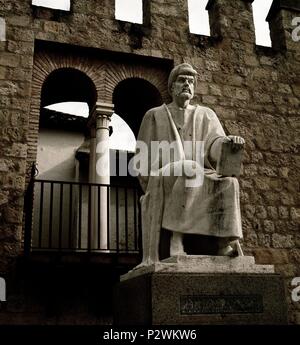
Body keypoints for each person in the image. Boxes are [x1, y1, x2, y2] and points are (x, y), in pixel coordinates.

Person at [134, 63, 245, 267]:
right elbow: (142, 155)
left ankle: (224, 242)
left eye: (191, 81)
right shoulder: (154, 115)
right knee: (188, 168)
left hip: (200, 172)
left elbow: (214, 143)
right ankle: (177, 238)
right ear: (171, 87)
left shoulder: (206, 114)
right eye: (182, 80)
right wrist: (150, 180)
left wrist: (228, 143)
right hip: (164, 175)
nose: (187, 84)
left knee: (230, 182)